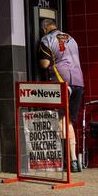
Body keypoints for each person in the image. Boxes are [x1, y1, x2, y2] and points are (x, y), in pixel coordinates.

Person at [38, 17, 84, 172]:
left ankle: (66, 161)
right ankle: (74, 160)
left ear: (44, 28)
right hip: (78, 82)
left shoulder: (46, 38)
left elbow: (45, 63)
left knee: (60, 120)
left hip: (61, 81)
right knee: (68, 120)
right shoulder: (71, 38)